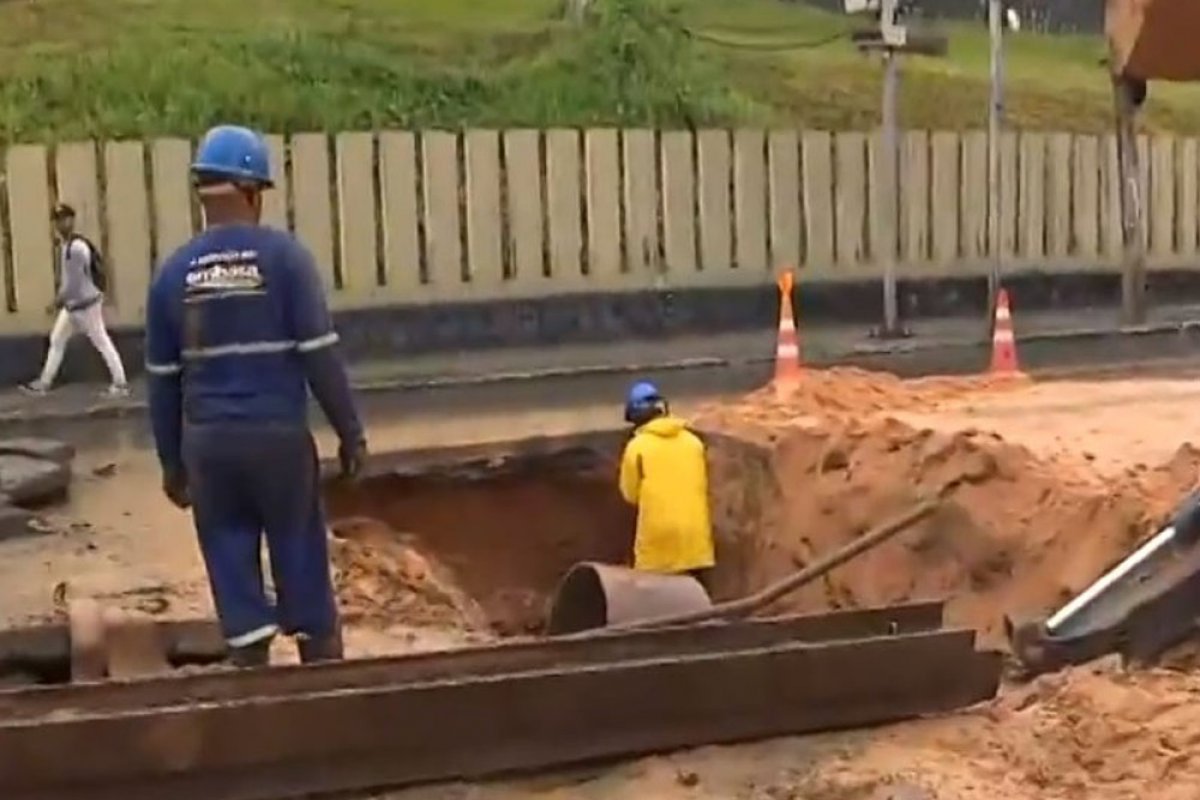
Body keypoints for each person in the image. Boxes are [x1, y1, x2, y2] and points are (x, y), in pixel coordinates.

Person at [144, 124, 368, 668]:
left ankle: (251, 674)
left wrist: (173, 465)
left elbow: (161, 382)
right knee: (298, 542)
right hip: (277, 442)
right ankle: (321, 663)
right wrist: (351, 435)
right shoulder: (286, 259)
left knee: (227, 549)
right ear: (251, 192)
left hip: (209, 447)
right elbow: (320, 357)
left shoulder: (173, 274)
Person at [21, 203, 129, 397]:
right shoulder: (69, 246)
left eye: (65, 219)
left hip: (86, 306)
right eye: (58, 220)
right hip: (75, 306)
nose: (61, 224)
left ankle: (120, 384)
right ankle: (44, 382)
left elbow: (73, 284)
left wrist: (55, 302)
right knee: (57, 339)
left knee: (101, 341)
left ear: (72, 221)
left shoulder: (75, 249)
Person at [617, 380, 716, 587]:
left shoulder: (637, 447)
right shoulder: (694, 443)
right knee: (698, 596)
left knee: (655, 595)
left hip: (658, 541)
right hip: (695, 539)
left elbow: (630, 494)